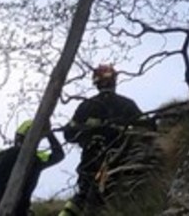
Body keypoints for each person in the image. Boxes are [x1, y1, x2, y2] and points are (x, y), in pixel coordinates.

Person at [57, 64, 145, 216]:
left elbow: (69, 134)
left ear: (96, 83)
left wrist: (87, 133)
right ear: (114, 82)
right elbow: (147, 126)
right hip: (123, 157)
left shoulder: (86, 106)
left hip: (93, 157)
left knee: (84, 194)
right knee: (115, 195)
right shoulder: (126, 104)